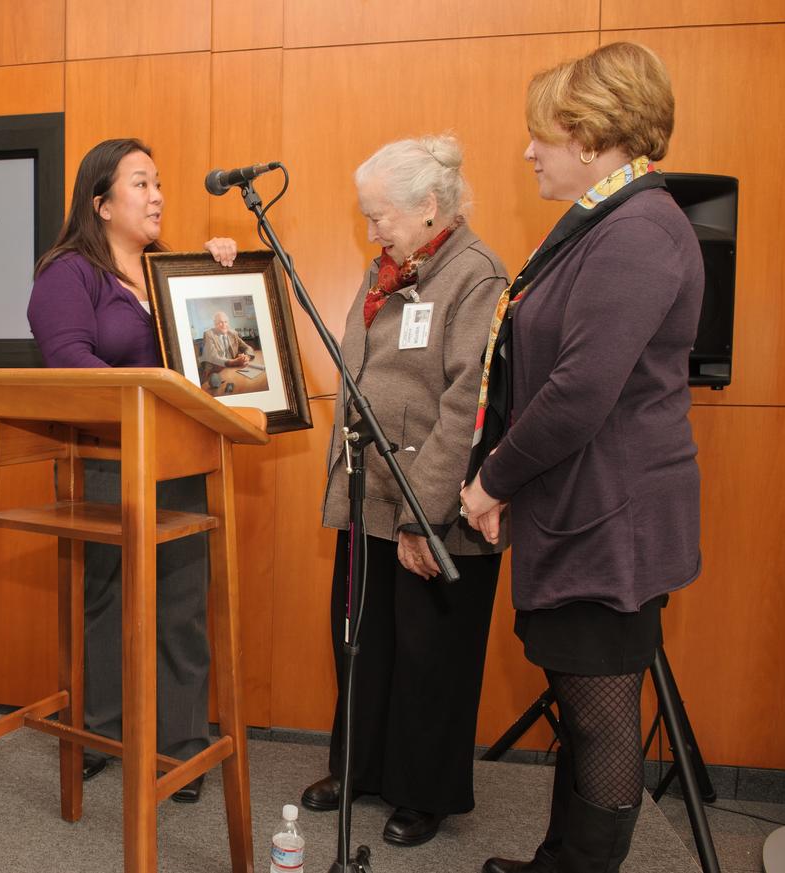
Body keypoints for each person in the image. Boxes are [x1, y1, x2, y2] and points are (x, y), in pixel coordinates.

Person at [460, 42, 703, 873]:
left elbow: (576, 392)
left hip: (611, 521)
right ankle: (558, 857)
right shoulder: (607, 222)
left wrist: (490, 481)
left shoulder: (637, 230)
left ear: (594, 137)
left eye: (542, 136)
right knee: (579, 700)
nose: (529, 151)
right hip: (582, 506)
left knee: (600, 718)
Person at [300, 135, 508, 847]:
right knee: (363, 640)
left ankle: (424, 790)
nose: (371, 230)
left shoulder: (475, 275)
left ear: (428, 206)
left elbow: (465, 404)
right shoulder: (389, 268)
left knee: (430, 654)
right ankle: (358, 766)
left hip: (433, 501)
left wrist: (427, 516)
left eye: (379, 215)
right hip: (370, 495)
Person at [26, 138, 236, 803]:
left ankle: (180, 745)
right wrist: (148, 394)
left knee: (182, 601)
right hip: (108, 459)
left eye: (159, 183)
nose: (157, 196)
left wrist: (222, 273)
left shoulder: (170, 268)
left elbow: (222, 348)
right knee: (107, 597)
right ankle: (99, 731)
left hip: (178, 454)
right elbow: (67, 361)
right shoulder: (69, 273)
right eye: (141, 184)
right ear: (101, 202)